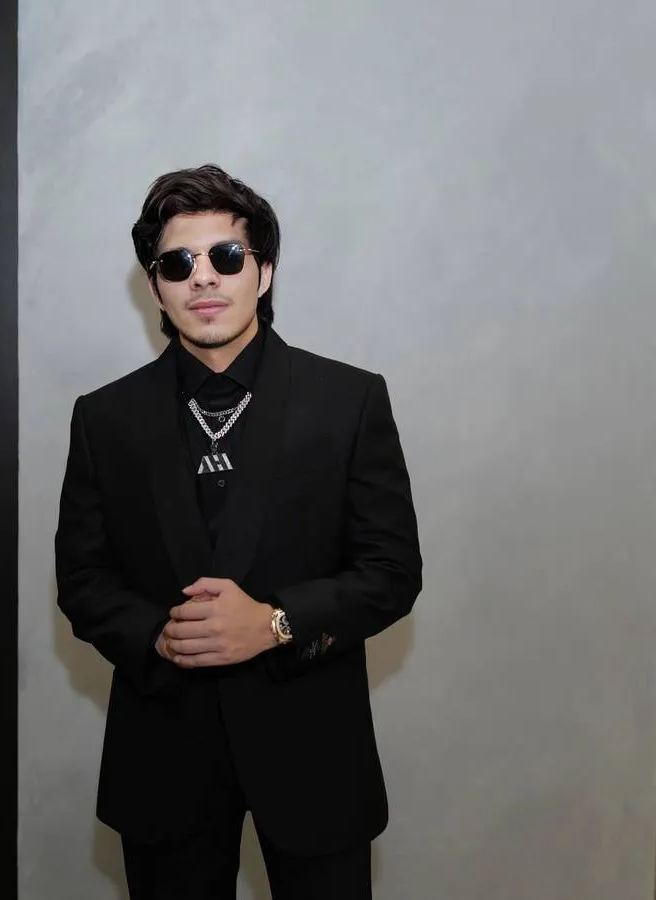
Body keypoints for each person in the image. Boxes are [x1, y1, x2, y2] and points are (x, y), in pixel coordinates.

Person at [54, 164, 422, 900]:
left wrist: (276, 623)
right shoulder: (104, 418)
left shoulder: (349, 400)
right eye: (177, 264)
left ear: (264, 271)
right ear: (155, 286)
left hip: (315, 753)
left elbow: (391, 571)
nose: (203, 277)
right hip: (163, 756)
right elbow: (84, 580)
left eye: (226, 256)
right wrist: (159, 639)